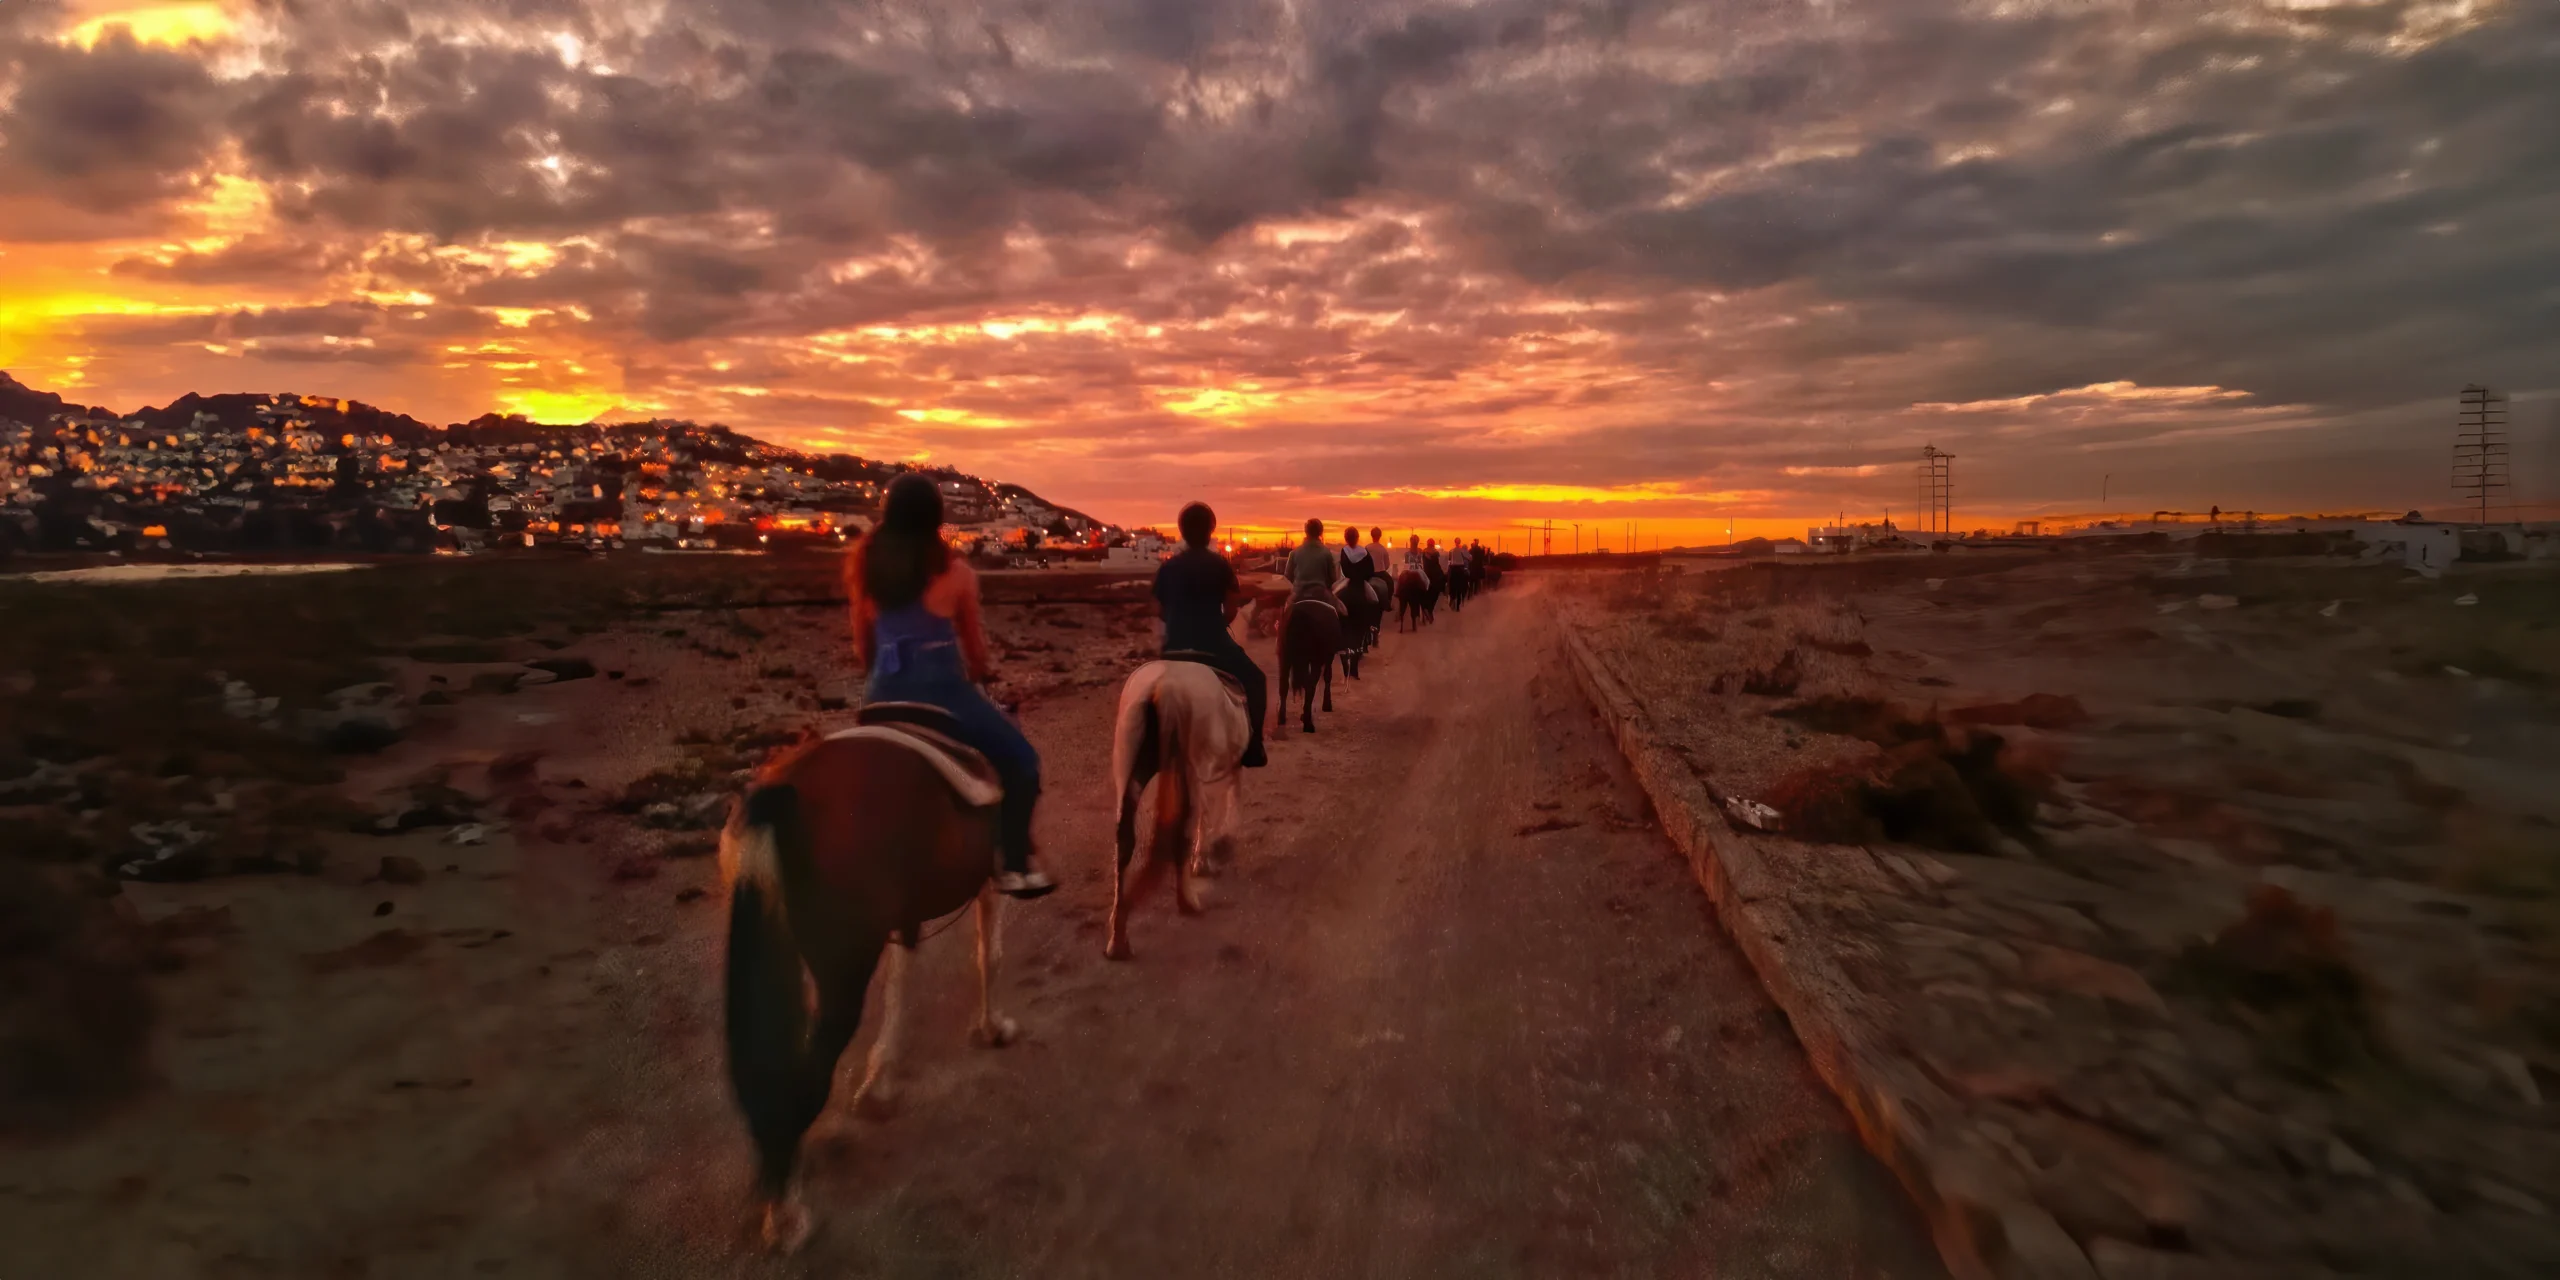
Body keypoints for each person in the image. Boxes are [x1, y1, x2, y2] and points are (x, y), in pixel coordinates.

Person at [847, 474, 1054, 899]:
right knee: (1023, 763)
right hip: (942, 694)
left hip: (879, 695)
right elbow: (975, 652)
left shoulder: (864, 569)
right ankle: (1013, 865)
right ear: (936, 519)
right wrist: (978, 675)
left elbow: (863, 646)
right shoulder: (956, 572)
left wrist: (882, 681)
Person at [1153, 502, 1269, 767]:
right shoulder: (1219, 565)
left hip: (1173, 648)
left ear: (1181, 531)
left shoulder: (1168, 567)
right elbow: (1230, 612)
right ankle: (1254, 747)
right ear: (1211, 531)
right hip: (1213, 646)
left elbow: (1158, 609)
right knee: (1256, 680)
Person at [1286, 517, 1341, 610]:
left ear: (1306, 531)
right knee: (1342, 612)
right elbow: (1333, 579)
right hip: (1321, 595)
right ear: (1320, 532)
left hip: (1298, 595)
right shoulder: (1327, 553)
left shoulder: (1294, 553)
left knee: (1283, 615)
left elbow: (1287, 577)